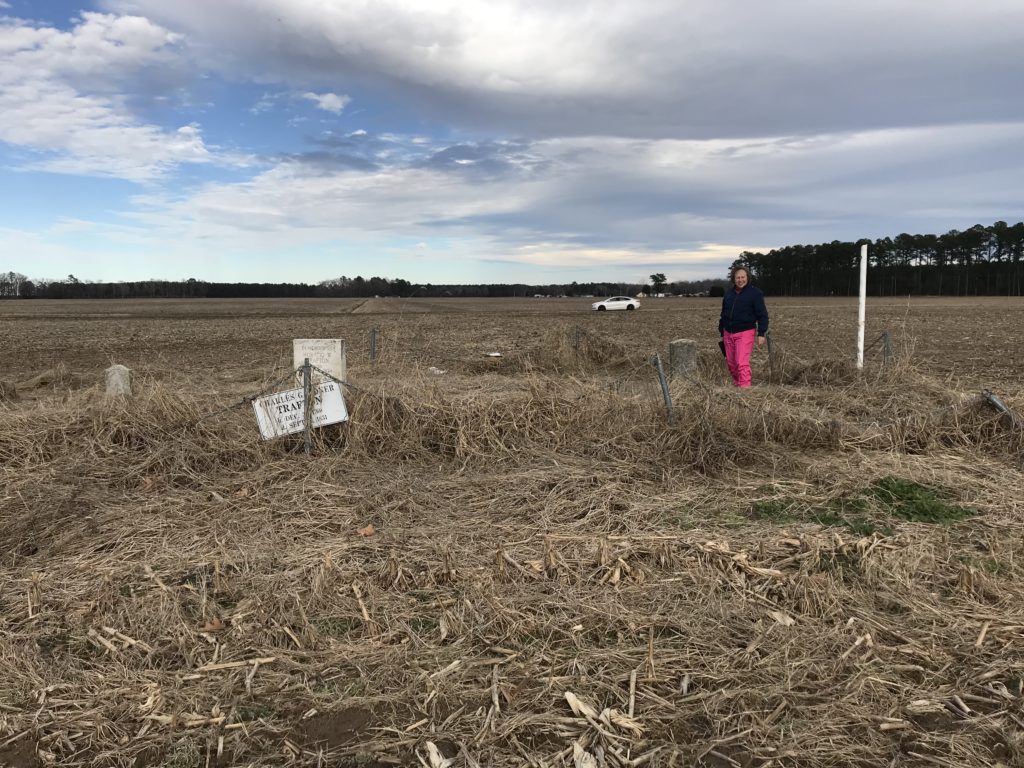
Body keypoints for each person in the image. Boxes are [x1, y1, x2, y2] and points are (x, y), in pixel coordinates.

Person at [718, 266, 769, 388]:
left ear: (747, 278)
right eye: (738, 277)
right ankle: (738, 386)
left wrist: (761, 333)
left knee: (741, 363)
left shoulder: (755, 293)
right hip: (728, 333)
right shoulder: (728, 294)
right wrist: (722, 330)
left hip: (745, 332)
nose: (740, 280)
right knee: (731, 364)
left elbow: (762, 315)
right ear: (733, 279)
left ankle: (745, 391)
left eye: (743, 277)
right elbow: (723, 313)